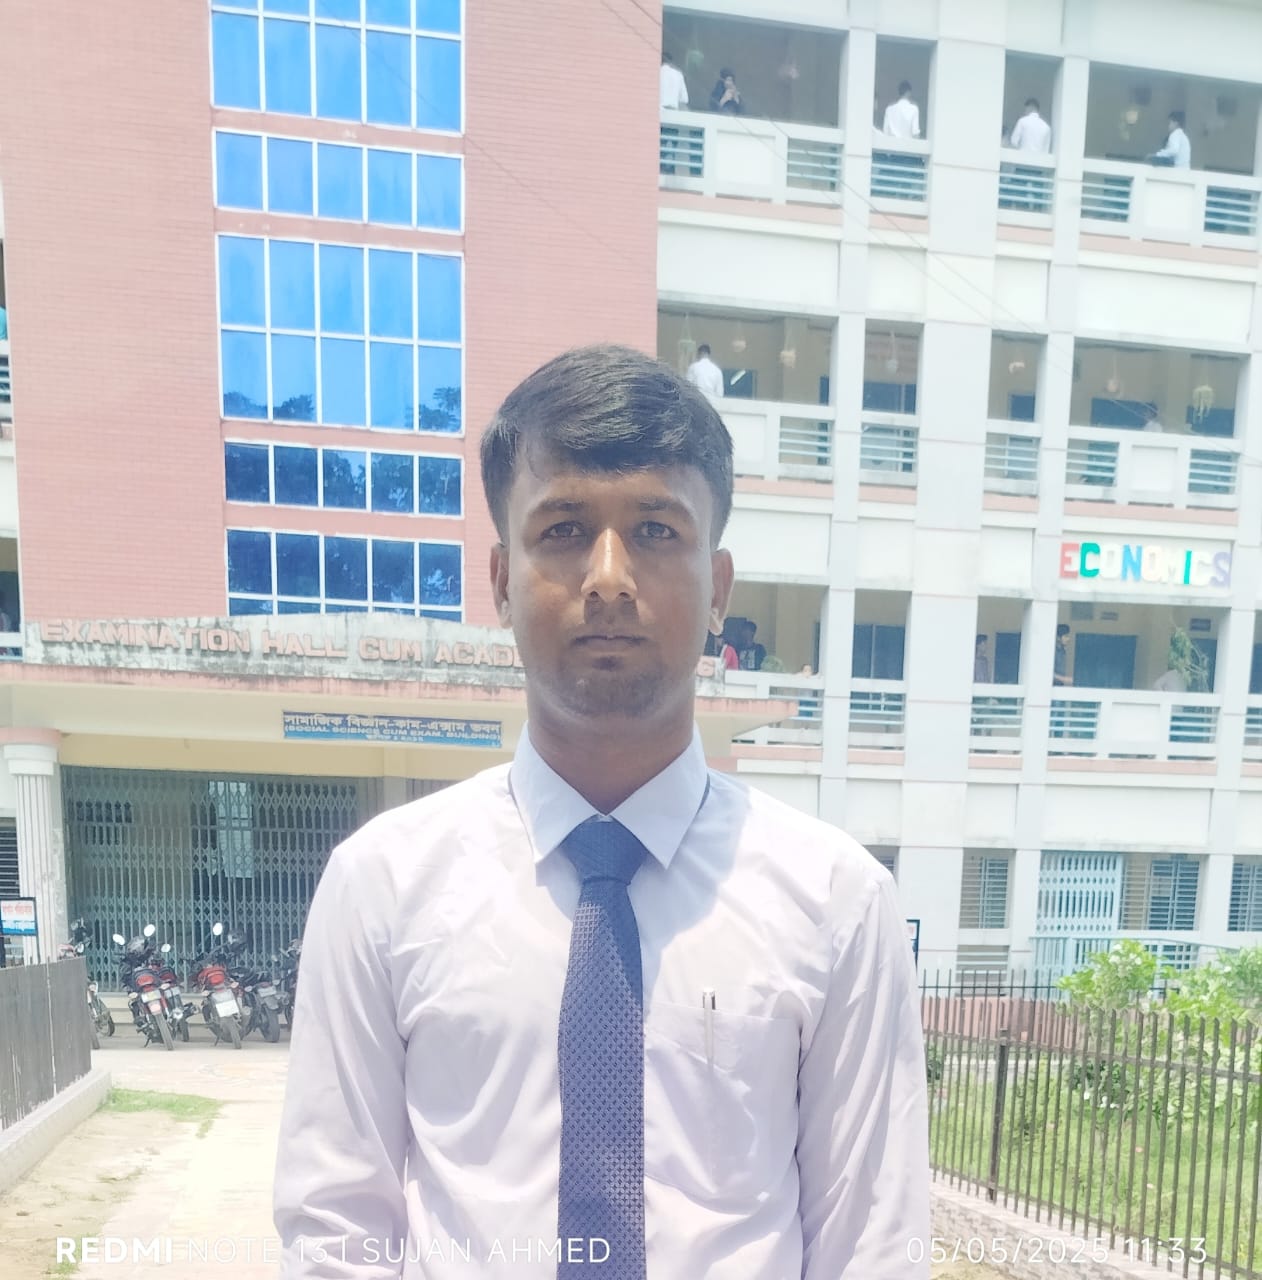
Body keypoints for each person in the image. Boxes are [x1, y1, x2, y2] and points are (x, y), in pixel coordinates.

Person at [273, 344, 930, 1278]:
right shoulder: (383, 886)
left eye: (656, 530)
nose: (610, 576)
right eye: (564, 529)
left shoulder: (837, 903)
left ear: (718, 588)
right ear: (501, 581)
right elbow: (335, 1230)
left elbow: (873, 1243)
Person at [659, 52, 689, 176]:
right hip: (673, 113)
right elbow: (685, 99)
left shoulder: (657, 72)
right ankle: (670, 169)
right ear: (671, 62)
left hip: (660, 112)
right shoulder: (678, 74)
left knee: (660, 143)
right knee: (672, 144)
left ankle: (661, 168)